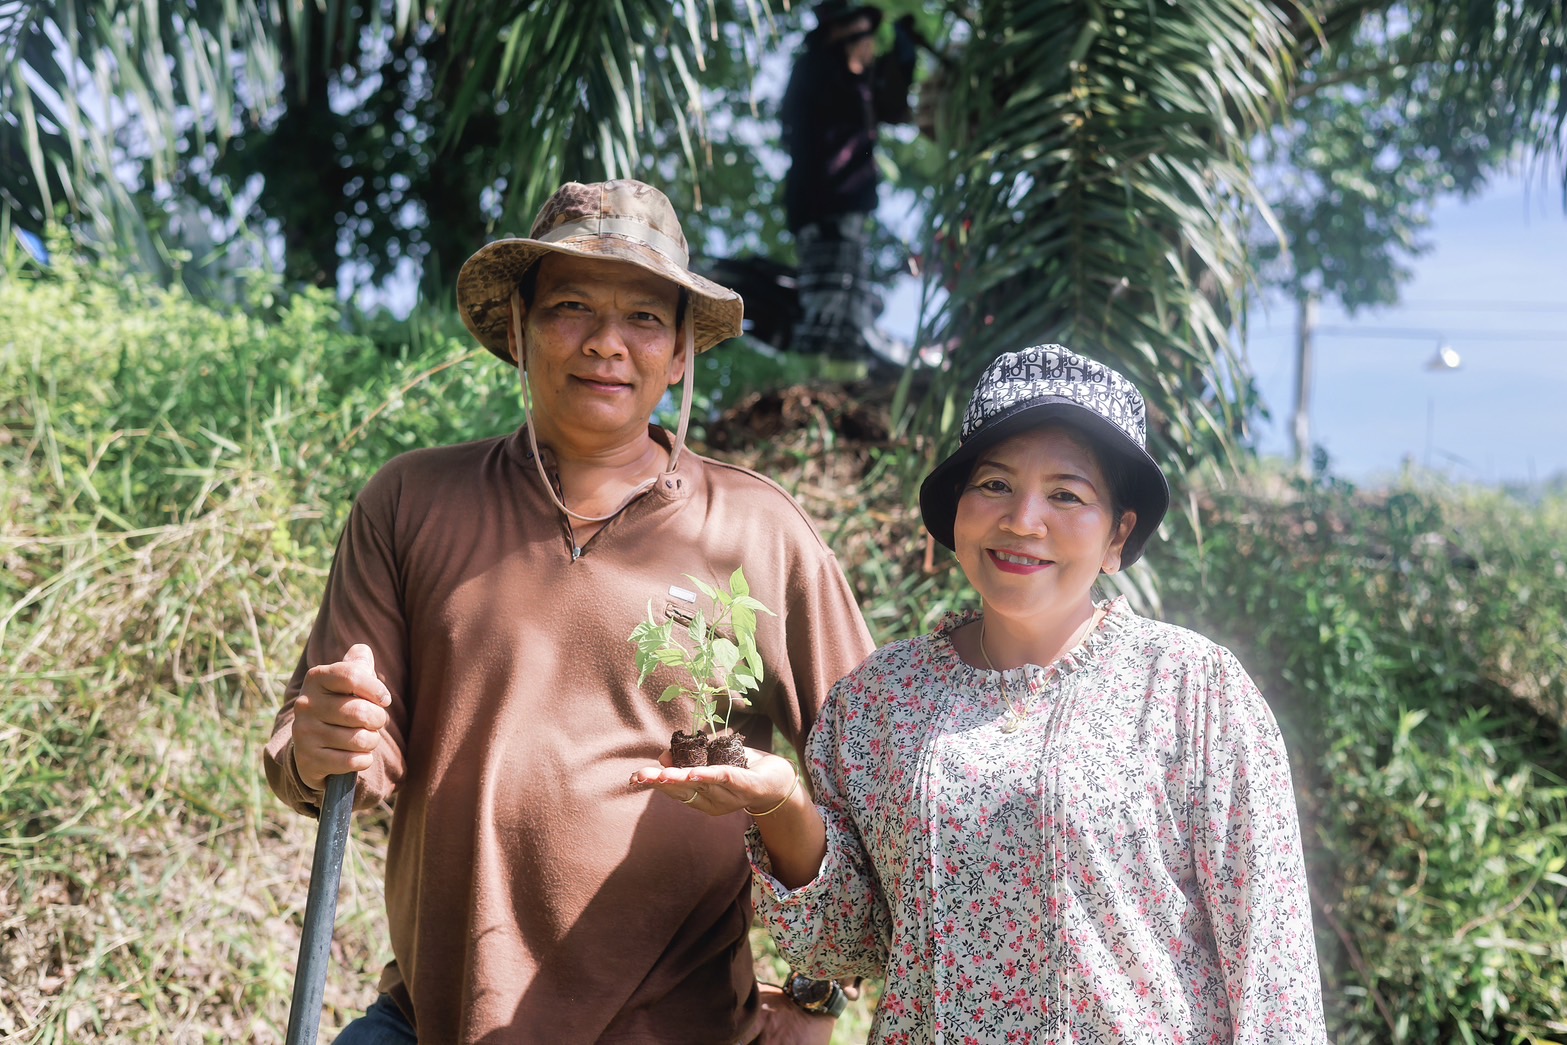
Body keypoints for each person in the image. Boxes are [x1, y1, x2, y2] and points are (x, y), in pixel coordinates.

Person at [263, 179, 877, 1044]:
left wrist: (815, 994)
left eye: (644, 320)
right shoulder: (411, 502)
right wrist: (322, 740)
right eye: (570, 307)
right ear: (518, 329)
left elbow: (877, 787)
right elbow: (322, 751)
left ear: (678, 356)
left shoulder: (758, 530)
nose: (604, 345)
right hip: (436, 1018)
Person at [633, 345, 1330, 1041]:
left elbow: (1273, 972)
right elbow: (843, 944)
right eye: (994, 484)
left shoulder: (1191, 691)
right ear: (958, 510)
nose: (1023, 519)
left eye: (1066, 494)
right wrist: (783, 801)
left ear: (1118, 533)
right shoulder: (878, 701)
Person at [779, 1, 919, 370]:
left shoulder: (849, 83)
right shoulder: (818, 71)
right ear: (839, 36)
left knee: (847, 304)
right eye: (863, 36)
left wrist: (903, 55)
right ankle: (812, 384)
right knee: (828, 303)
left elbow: (890, 104)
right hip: (825, 208)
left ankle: (839, 384)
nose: (870, 45)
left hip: (844, 209)